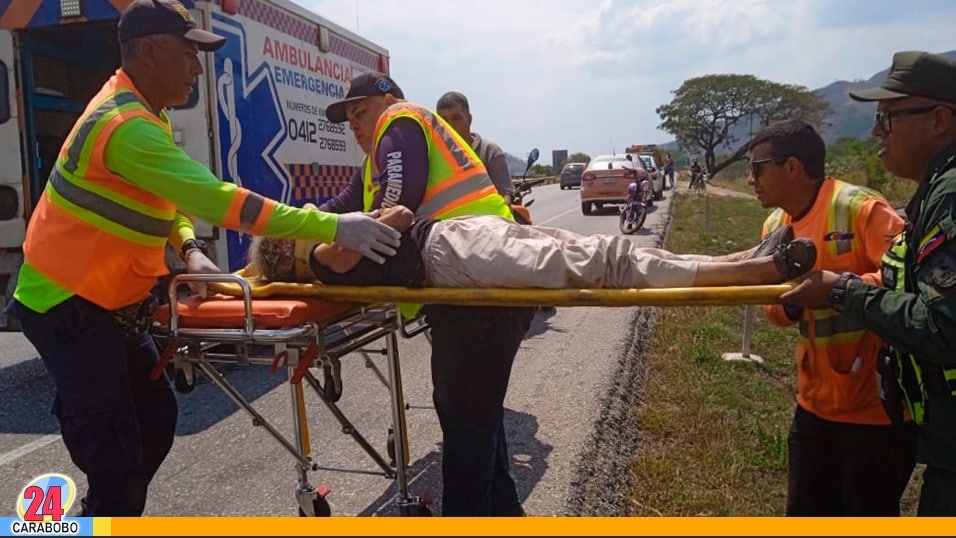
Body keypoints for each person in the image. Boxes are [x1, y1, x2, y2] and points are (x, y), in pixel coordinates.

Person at [1, 0, 399, 517]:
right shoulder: (124, 126)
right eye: (189, 53)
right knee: (116, 455)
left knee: (156, 419)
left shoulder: (146, 114)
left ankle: (102, 509)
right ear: (149, 52)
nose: (197, 66)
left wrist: (189, 249)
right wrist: (332, 225)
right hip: (66, 303)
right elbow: (221, 200)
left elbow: (165, 202)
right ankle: (102, 510)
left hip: (109, 302)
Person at [781, 50, 956, 516]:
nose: (876, 131)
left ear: (939, 120)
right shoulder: (933, 194)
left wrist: (840, 291)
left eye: (888, 117)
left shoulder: (950, 196)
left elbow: (944, 326)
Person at [747, 119, 916, 516]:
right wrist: (792, 302)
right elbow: (772, 309)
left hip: (878, 412)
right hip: (814, 407)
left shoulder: (860, 208)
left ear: (791, 167)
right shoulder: (775, 227)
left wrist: (837, 288)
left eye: (758, 168)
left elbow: (909, 281)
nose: (751, 179)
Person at [245, 204, 817, 289]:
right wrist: (353, 220)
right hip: (447, 251)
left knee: (582, 246)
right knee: (597, 261)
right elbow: (394, 215)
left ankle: (732, 260)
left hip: (452, 243)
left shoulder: (324, 259)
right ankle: (753, 271)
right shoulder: (324, 257)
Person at [435, 91, 515, 205]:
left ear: (469, 119)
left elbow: (505, 197)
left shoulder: (489, 151)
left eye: (456, 118)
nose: (450, 125)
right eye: (444, 120)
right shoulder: (434, 155)